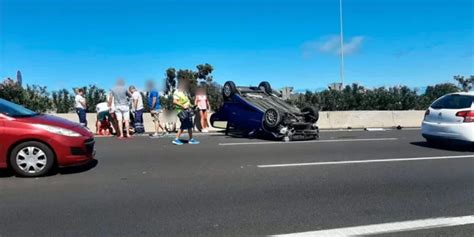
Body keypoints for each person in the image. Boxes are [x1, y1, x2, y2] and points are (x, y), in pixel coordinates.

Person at [172, 79, 199, 145]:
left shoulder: (184, 93)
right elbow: (174, 101)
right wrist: (182, 106)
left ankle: (191, 139)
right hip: (181, 111)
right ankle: (176, 139)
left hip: (187, 110)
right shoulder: (176, 92)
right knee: (184, 124)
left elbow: (187, 102)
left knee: (189, 125)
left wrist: (193, 106)